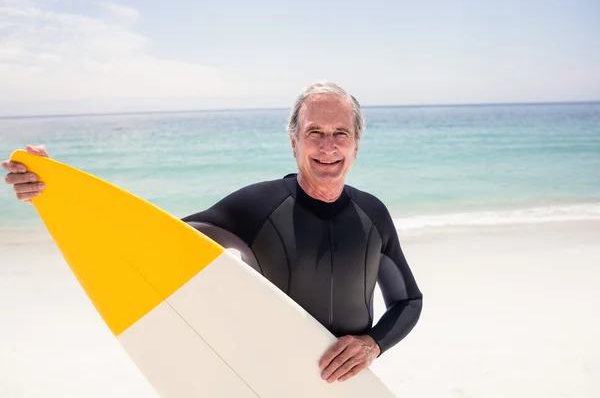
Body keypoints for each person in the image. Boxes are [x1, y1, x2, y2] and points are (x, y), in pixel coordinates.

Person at [3, 81, 423, 384]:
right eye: (315, 133)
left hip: (350, 388)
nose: (328, 147)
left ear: (356, 145)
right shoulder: (255, 207)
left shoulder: (374, 214)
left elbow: (407, 300)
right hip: (262, 383)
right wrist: (52, 187)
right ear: (294, 143)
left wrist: (373, 344)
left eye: (340, 135)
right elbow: (153, 238)